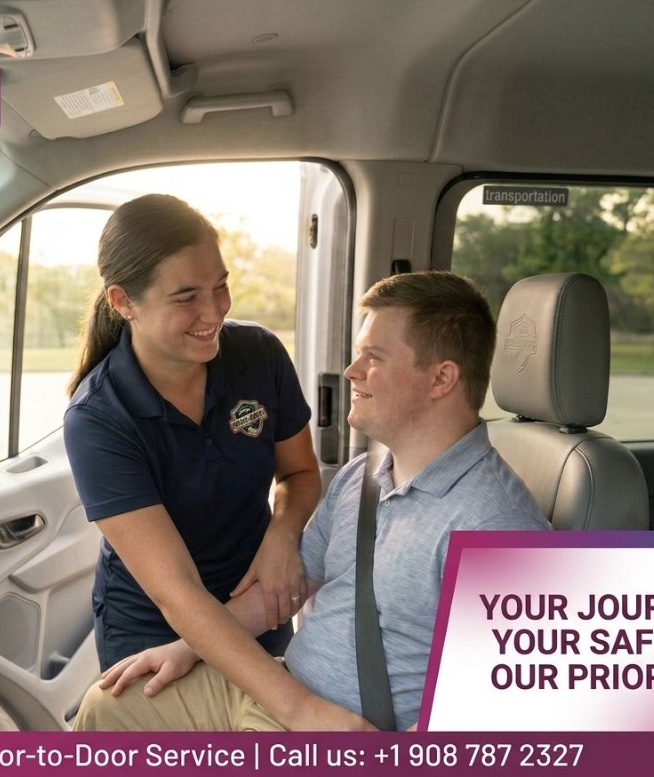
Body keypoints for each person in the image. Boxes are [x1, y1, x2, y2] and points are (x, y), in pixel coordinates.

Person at [75, 269, 552, 732]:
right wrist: (187, 647)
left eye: (374, 358)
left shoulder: (498, 525)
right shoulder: (361, 477)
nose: (352, 370)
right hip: (284, 691)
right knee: (109, 705)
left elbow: (512, 712)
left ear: (441, 378)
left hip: (348, 732)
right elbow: (284, 588)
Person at [63, 193, 323, 676]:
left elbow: (301, 472)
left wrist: (281, 537)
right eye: (186, 297)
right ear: (123, 302)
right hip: (154, 626)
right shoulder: (99, 417)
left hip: (256, 599)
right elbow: (176, 590)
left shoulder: (258, 355)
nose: (214, 312)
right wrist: (303, 712)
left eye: (220, 286)